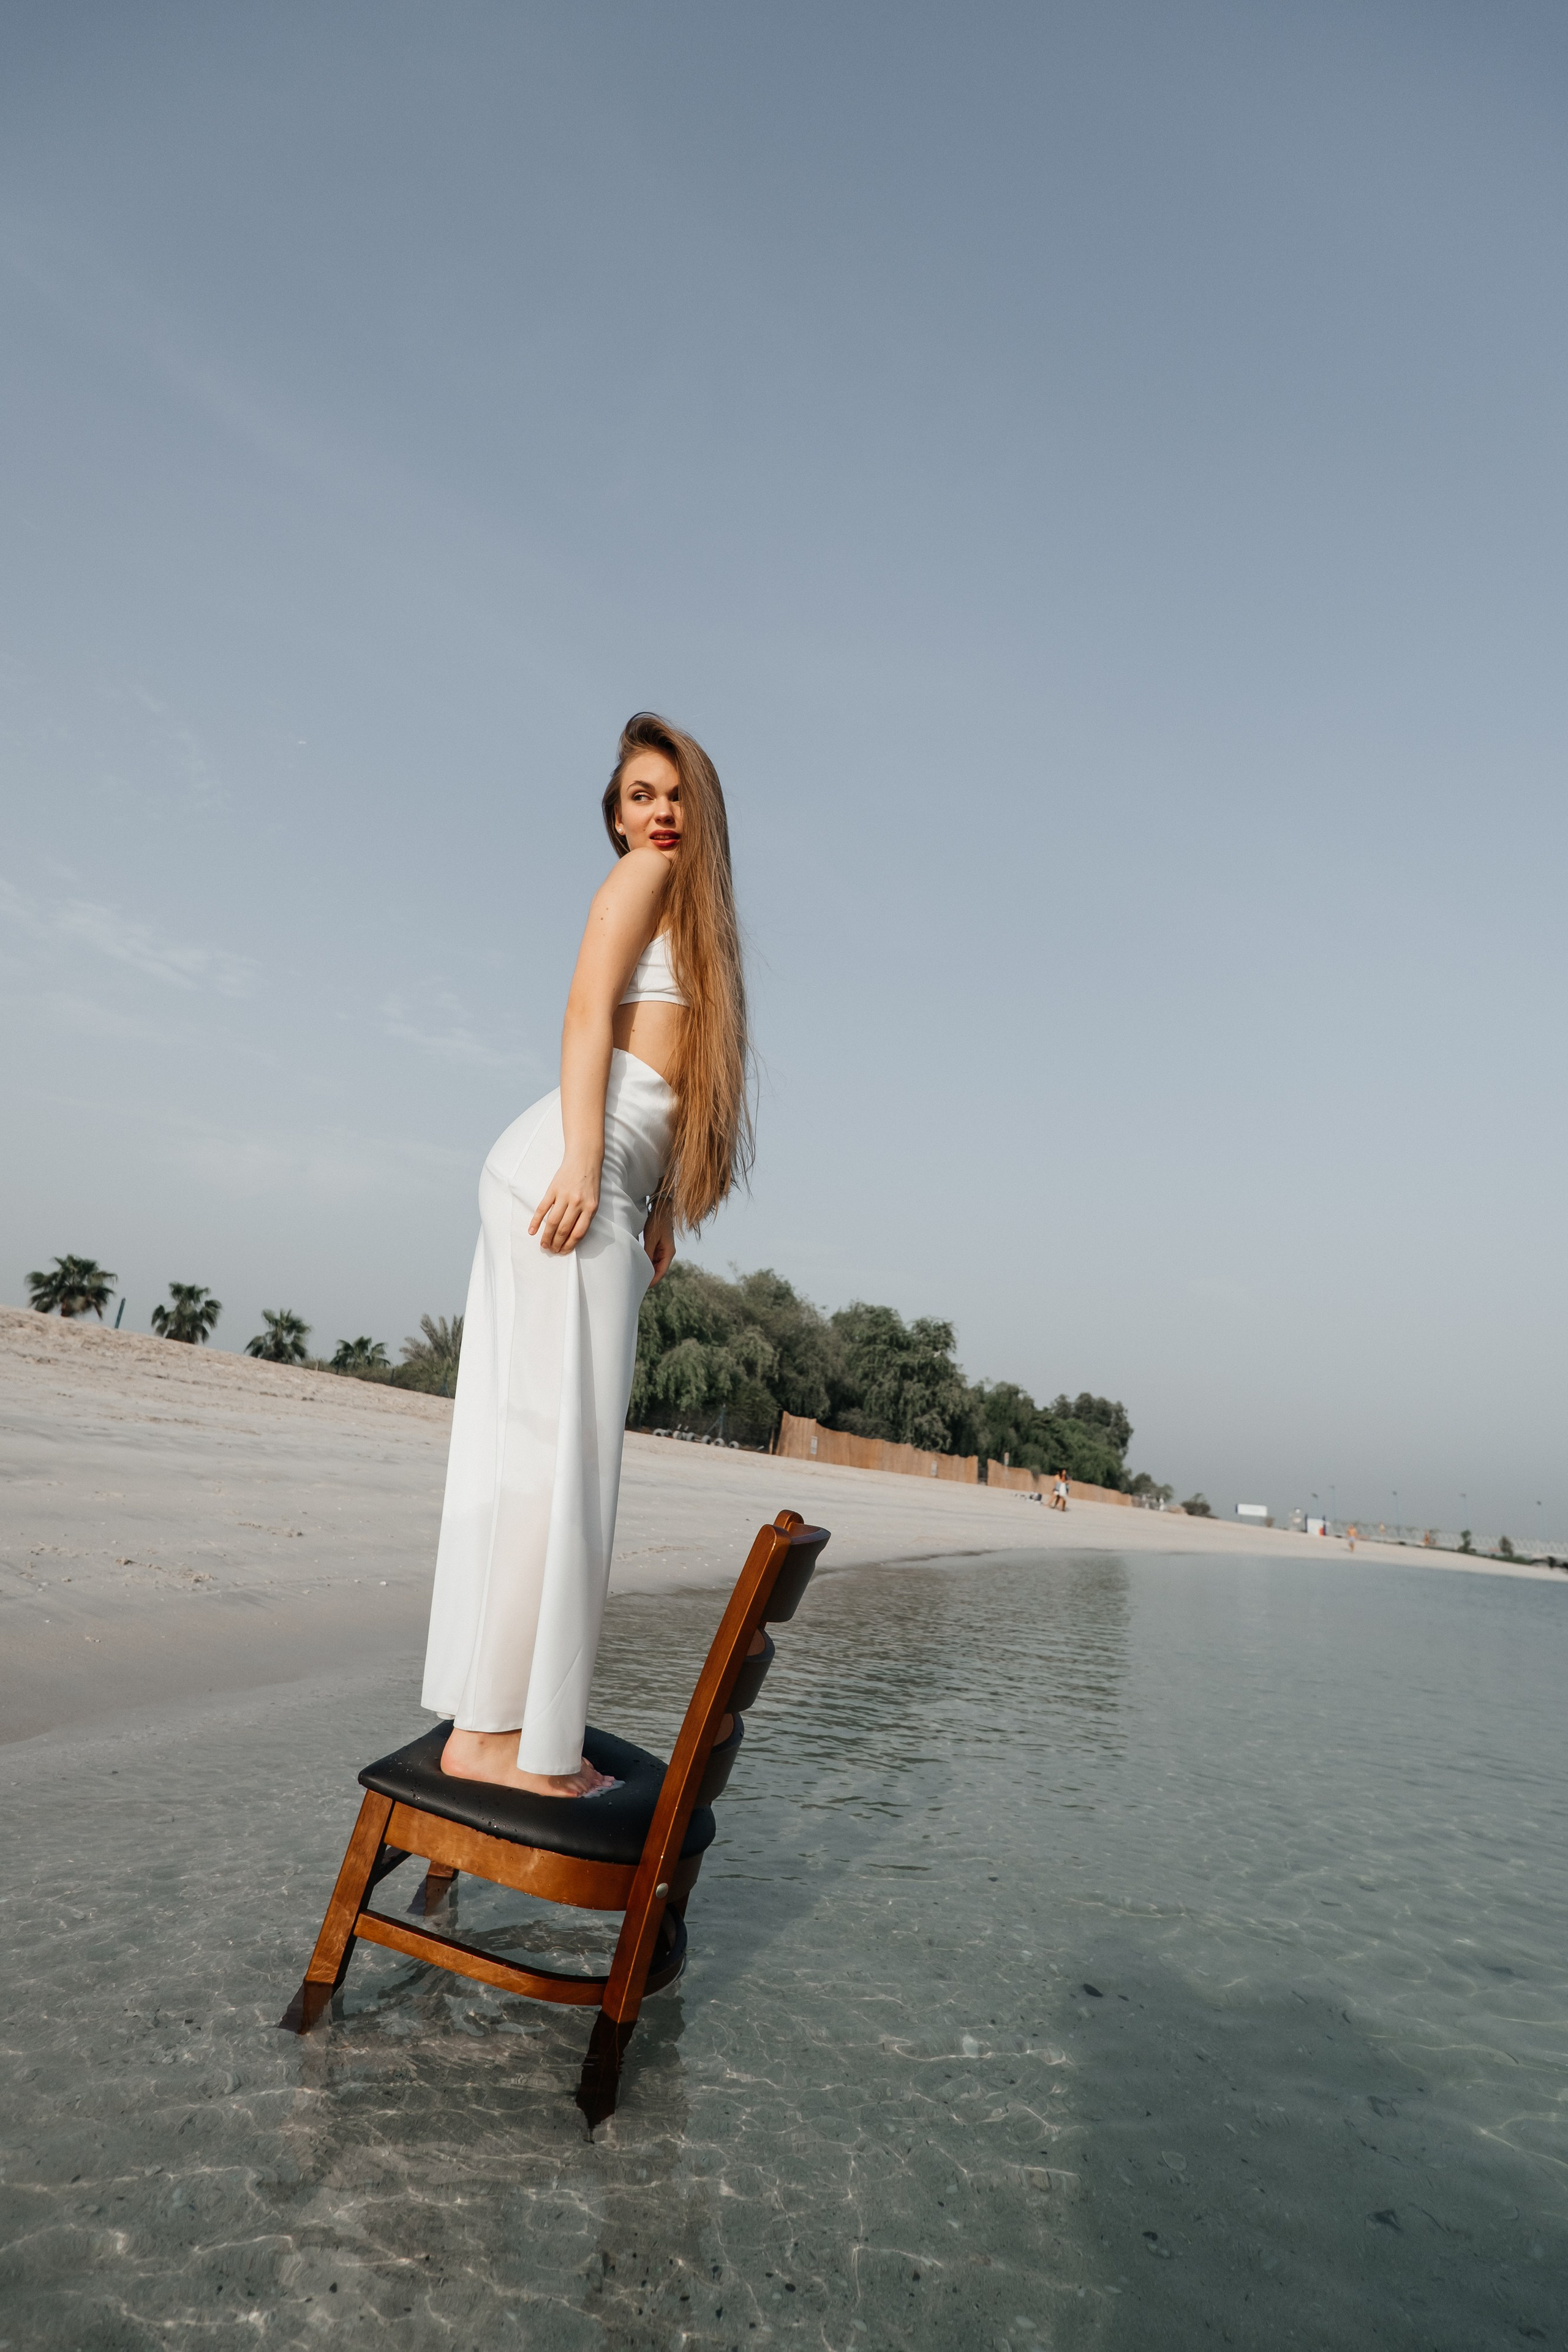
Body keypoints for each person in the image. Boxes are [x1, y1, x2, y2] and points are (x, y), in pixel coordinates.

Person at [420, 713, 751, 1797]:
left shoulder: (698, 929)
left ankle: (496, 1724)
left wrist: (660, 1205)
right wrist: (581, 1165)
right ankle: (495, 1742)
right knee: (560, 1471)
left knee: (547, 1464)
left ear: (699, 808)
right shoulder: (636, 889)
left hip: (607, 1172)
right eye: (637, 796)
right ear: (615, 823)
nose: (657, 812)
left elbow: (669, 1082)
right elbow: (581, 1017)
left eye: (672, 794)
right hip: (570, 1167)